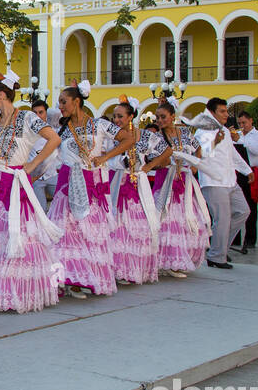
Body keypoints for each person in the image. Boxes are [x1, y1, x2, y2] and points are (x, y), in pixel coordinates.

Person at [0, 73, 63, 311]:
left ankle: (18, 292)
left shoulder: (27, 117)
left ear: (2, 95)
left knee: (18, 235)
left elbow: (54, 138)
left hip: (15, 184)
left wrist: (32, 164)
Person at [47, 81, 131, 298]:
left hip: (91, 185)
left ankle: (86, 276)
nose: (61, 107)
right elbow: (50, 156)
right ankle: (70, 278)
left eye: (64, 102)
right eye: (59, 103)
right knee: (67, 233)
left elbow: (128, 138)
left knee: (88, 232)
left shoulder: (100, 125)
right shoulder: (62, 130)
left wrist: (105, 157)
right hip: (67, 186)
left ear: (77, 102)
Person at [145, 100, 208, 278]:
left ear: (173, 117)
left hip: (185, 182)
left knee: (186, 219)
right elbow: (151, 159)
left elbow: (198, 148)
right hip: (166, 180)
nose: (159, 120)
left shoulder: (185, 132)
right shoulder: (156, 137)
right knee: (167, 220)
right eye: (157, 117)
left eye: (163, 117)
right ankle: (168, 261)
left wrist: (194, 166)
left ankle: (181, 258)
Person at [194, 98, 252, 269]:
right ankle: (217, 256)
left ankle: (219, 248)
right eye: (222, 111)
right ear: (211, 113)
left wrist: (247, 170)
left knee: (243, 211)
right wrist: (214, 142)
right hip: (213, 181)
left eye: (226, 111)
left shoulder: (225, 131)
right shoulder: (202, 131)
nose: (227, 115)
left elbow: (232, 154)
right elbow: (200, 155)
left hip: (230, 180)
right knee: (222, 219)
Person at [108, 100, 160, 285]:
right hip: (116, 183)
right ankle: (119, 268)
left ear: (131, 117)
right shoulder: (110, 135)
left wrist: (149, 166)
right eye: (114, 116)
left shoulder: (144, 136)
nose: (116, 120)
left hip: (138, 184)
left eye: (120, 116)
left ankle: (134, 268)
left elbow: (166, 150)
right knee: (118, 224)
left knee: (137, 227)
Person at [230, 110, 258, 253]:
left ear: (251, 121)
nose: (242, 125)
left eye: (244, 122)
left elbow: (256, 151)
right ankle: (235, 238)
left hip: (251, 171)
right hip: (238, 172)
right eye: (239, 123)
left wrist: (239, 140)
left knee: (251, 206)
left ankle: (250, 239)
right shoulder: (237, 136)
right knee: (235, 206)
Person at [28, 99, 57, 209]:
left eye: (41, 112)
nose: (38, 116)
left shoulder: (54, 132)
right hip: (35, 178)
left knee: (63, 203)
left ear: (46, 113)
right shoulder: (28, 133)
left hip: (52, 174)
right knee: (40, 210)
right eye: (35, 113)